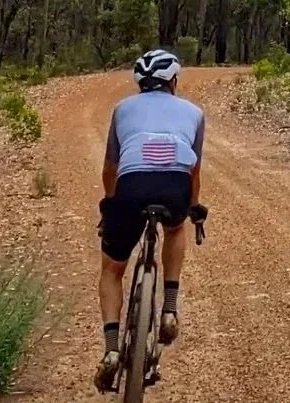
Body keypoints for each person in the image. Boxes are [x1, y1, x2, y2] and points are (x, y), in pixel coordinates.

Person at [94, 48, 204, 391]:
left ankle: (112, 350)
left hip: (131, 186)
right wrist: (194, 206)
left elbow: (110, 169)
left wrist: (111, 206)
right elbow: (193, 171)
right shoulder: (195, 113)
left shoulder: (122, 110)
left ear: (140, 83)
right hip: (175, 187)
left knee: (112, 269)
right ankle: (169, 308)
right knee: (175, 228)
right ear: (173, 80)